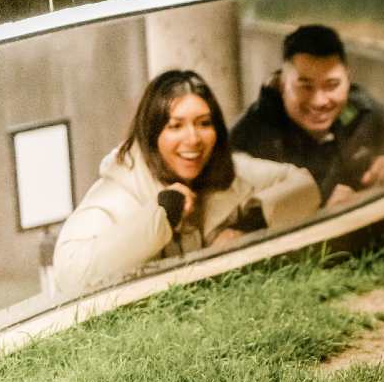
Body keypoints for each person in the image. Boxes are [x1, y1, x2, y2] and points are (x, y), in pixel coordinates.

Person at [53, 70, 321, 295]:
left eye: (204, 123)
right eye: (175, 126)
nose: (193, 139)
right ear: (151, 134)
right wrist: (161, 217)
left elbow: (303, 184)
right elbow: (70, 274)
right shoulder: (118, 192)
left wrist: (250, 220)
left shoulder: (228, 171)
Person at [229, 24, 384, 207]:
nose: (320, 101)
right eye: (306, 87)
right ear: (282, 84)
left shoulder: (360, 110)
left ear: (348, 79)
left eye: (332, 85)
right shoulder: (249, 136)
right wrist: (319, 213)